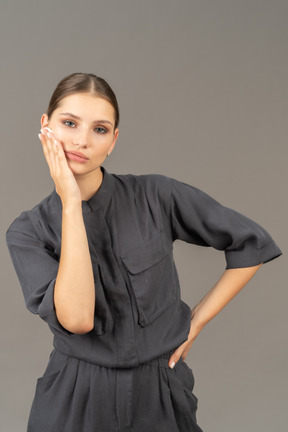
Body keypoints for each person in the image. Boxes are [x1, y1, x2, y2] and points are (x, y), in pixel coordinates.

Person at [6, 72, 282, 432]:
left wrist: (195, 321)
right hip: (75, 397)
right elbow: (78, 320)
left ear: (114, 141)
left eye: (100, 129)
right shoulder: (28, 231)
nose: (82, 140)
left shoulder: (157, 196)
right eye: (69, 123)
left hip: (160, 392)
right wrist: (70, 203)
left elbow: (252, 243)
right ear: (46, 126)